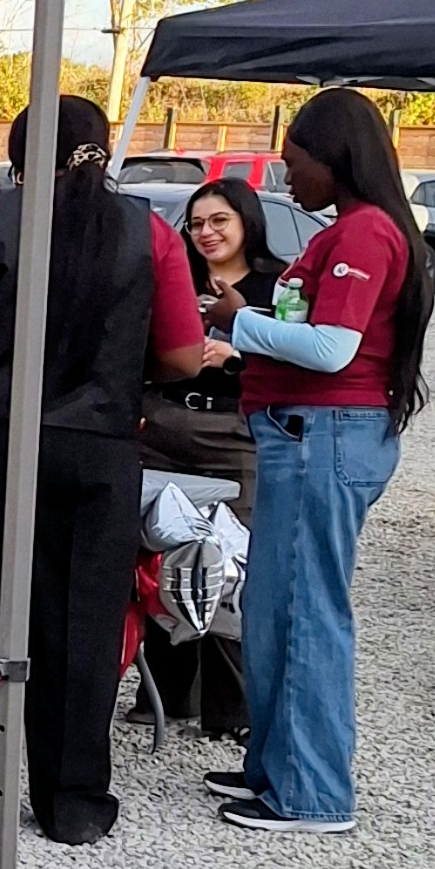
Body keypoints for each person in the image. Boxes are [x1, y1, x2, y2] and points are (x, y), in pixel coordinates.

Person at [0, 96, 207, 844]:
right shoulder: (152, 232)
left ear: (19, 159)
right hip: (98, 445)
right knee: (83, 619)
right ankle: (73, 803)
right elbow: (186, 357)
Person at [214, 85, 430, 836]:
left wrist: (240, 321)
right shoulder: (349, 228)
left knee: (306, 612)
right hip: (309, 434)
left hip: (324, 434)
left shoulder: (364, 235)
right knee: (275, 608)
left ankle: (312, 792)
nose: (287, 177)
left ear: (335, 157)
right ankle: (275, 768)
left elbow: (333, 348)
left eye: (295, 160)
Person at [138, 176, 271, 742]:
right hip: (165, 423)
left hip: (235, 431)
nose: (206, 233)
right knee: (160, 551)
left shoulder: (276, 283)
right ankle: (169, 694)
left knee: (231, 562)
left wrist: (235, 350)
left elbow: (296, 359)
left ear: (247, 222)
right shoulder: (176, 278)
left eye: (219, 220)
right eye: (195, 224)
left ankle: (231, 707)